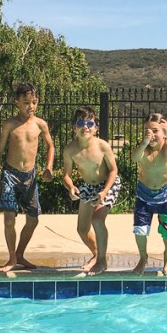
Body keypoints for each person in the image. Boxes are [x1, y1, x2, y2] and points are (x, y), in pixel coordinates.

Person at [0, 83, 54, 272]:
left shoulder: (40, 124)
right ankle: (11, 258)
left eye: (34, 102)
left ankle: (20, 254)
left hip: (29, 176)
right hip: (10, 174)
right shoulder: (10, 124)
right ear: (16, 102)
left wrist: (48, 167)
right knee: (9, 218)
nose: (31, 106)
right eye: (26, 102)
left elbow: (51, 146)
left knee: (33, 219)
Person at [62, 107, 120, 275]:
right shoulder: (70, 150)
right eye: (81, 123)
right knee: (82, 229)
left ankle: (101, 262)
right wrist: (71, 187)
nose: (85, 127)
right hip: (88, 187)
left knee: (97, 220)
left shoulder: (102, 146)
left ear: (95, 128)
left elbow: (113, 170)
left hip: (108, 184)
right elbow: (66, 175)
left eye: (89, 123)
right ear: (74, 127)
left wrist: (104, 192)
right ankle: (97, 255)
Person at [131, 113, 167, 276]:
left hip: (165, 195)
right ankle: (143, 257)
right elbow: (134, 158)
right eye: (147, 131)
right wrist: (144, 143)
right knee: (140, 229)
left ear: (164, 131)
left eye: (155, 131)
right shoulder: (143, 148)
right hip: (144, 194)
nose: (151, 135)